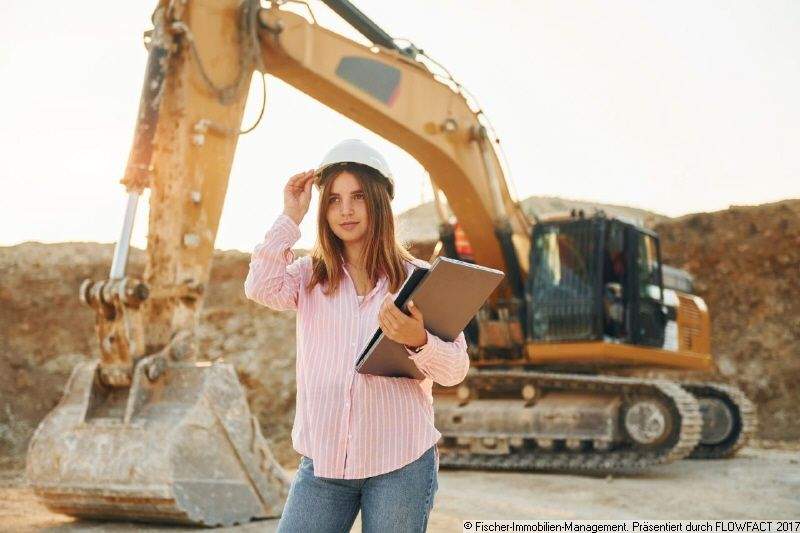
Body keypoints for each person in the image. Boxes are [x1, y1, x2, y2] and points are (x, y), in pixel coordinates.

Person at [244, 139, 470, 532]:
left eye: (358, 197)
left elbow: (455, 370)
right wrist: (289, 217)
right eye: (333, 199)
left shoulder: (419, 281)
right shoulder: (308, 276)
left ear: (380, 203)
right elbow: (259, 287)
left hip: (400, 465)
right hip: (324, 465)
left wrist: (419, 340)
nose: (345, 209)